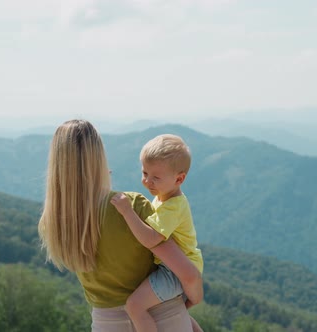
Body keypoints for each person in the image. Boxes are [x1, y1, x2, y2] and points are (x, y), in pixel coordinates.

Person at [37, 119, 203, 332]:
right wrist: (195, 296)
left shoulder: (54, 222)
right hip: (163, 318)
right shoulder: (131, 206)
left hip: (105, 324)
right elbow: (187, 273)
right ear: (98, 158)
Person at [110, 134, 203, 332]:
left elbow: (150, 239)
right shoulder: (164, 197)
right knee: (178, 311)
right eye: (144, 173)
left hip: (175, 271)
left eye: (155, 177)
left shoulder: (173, 206)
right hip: (177, 266)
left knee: (135, 306)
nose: (147, 181)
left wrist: (127, 211)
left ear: (179, 179)